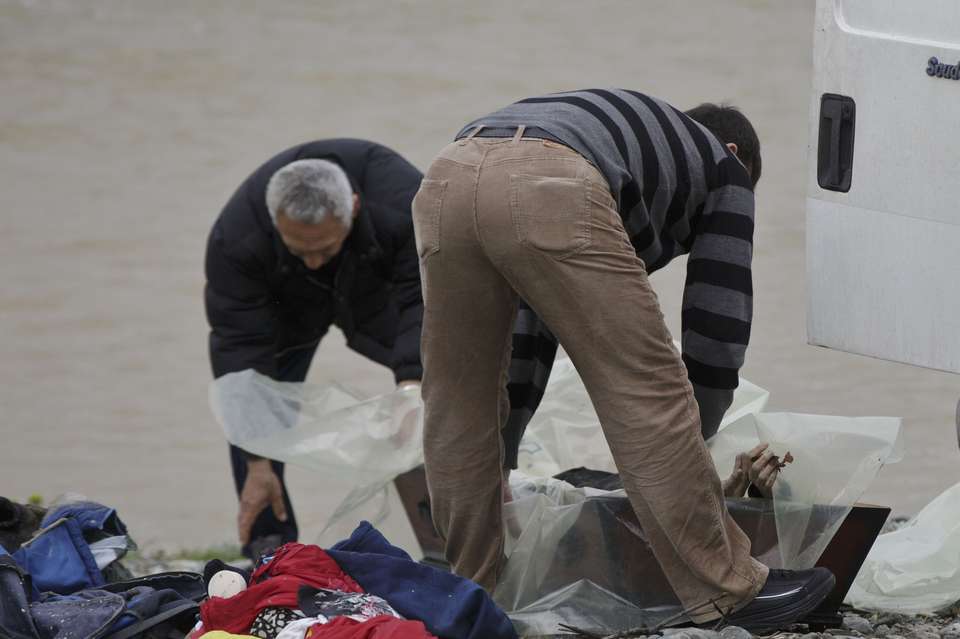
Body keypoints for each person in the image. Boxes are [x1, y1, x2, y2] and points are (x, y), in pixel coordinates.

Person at [412, 90, 833, 631]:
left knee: (459, 402)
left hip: (448, 176)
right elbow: (716, 321)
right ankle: (726, 590)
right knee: (647, 386)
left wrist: (505, 452)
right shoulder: (724, 163)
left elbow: (529, 331)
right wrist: (694, 436)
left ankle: (472, 592)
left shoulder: (630, 148)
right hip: (551, 180)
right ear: (733, 151)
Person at [204, 139, 423, 558]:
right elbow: (240, 354)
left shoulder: (405, 204)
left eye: (323, 248)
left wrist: (411, 386)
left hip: (374, 283)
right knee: (254, 407)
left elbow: (425, 299)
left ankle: (465, 525)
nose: (314, 262)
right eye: (300, 249)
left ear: (354, 207)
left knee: (445, 370)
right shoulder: (237, 237)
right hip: (284, 303)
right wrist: (256, 459)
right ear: (274, 223)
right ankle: (272, 551)